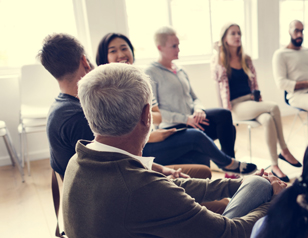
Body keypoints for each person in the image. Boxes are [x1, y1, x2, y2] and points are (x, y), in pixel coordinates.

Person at [63, 63, 288, 238]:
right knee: (260, 229)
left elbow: (172, 187)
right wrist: (273, 204)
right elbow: (228, 236)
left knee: (255, 197)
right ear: (147, 115)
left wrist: (237, 185)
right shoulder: (137, 189)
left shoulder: (80, 160)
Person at [41, 33, 208, 180]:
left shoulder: (60, 109)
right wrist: (162, 172)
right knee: (207, 181)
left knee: (202, 170)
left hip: (113, 180)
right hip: (118, 192)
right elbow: (123, 165)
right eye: (113, 51)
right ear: (84, 60)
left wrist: (162, 169)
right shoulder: (83, 115)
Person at [96, 32, 250, 177]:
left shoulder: (140, 81)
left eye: (124, 48)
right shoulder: (104, 88)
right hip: (143, 145)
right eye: (113, 51)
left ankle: (206, 188)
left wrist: (197, 110)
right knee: (197, 137)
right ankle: (228, 163)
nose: (121, 54)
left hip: (156, 136)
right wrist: (149, 134)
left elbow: (156, 116)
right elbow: (114, 131)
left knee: (204, 149)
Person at [145, 26, 256, 175]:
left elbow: (194, 97)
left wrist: (199, 110)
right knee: (228, 130)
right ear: (160, 47)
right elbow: (155, 113)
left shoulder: (180, 70)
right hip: (173, 128)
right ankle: (229, 164)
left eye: (178, 45)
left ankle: (230, 168)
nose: (178, 49)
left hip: (192, 121)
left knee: (224, 116)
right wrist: (186, 119)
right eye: (174, 46)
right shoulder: (151, 73)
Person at [212, 23, 301, 182]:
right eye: (233, 33)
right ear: (224, 38)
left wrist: (258, 100)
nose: (237, 36)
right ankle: (285, 151)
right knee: (273, 106)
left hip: (251, 102)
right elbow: (218, 82)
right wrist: (218, 52)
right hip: (235, 106)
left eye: (239, 33)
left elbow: (255, 84)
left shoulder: (246, 59)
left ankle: (274, 165)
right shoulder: (219, 61)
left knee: (267, 119)